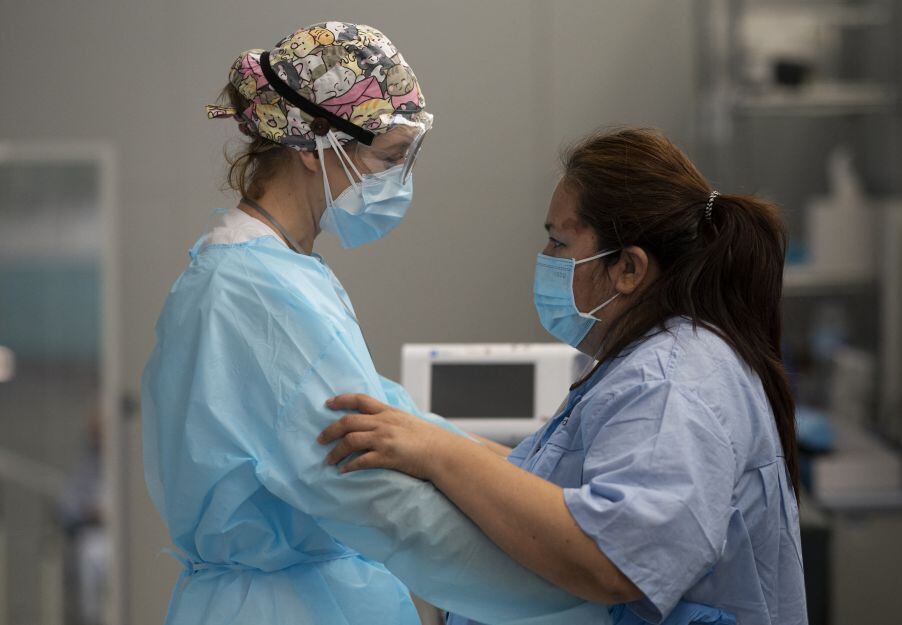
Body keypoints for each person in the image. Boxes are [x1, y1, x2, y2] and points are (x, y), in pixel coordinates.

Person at [141, 22, 609, 625]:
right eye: (386, 159)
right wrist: (576, 587)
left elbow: (394, 421)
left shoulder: (285, 271)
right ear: (312, 148)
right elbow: (372, 489)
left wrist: (535, 477)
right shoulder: (250, 291)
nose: (397, 182)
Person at [318, 128, 809, 625]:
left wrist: (439, 455)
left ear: (628, 269)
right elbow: (552, 482)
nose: (546, 260)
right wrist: (429, 437)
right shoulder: (647, 359)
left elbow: (616, 559)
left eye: (558, 242)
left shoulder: (670, 384)